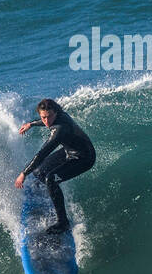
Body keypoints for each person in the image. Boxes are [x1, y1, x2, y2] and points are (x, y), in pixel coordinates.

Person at [15, 98, 95, 234]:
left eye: (49, 116)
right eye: (43, 117)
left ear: (56, 113)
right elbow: (46, 121)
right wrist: (32, 124)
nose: (46, 121)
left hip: (84, 157)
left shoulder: (59, 130)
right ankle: (53, 194)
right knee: (39, 172)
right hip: (68, 151)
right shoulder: (57, 116)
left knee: (50, 178)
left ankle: (63, 223)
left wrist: (23, 173)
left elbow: (41, 154)